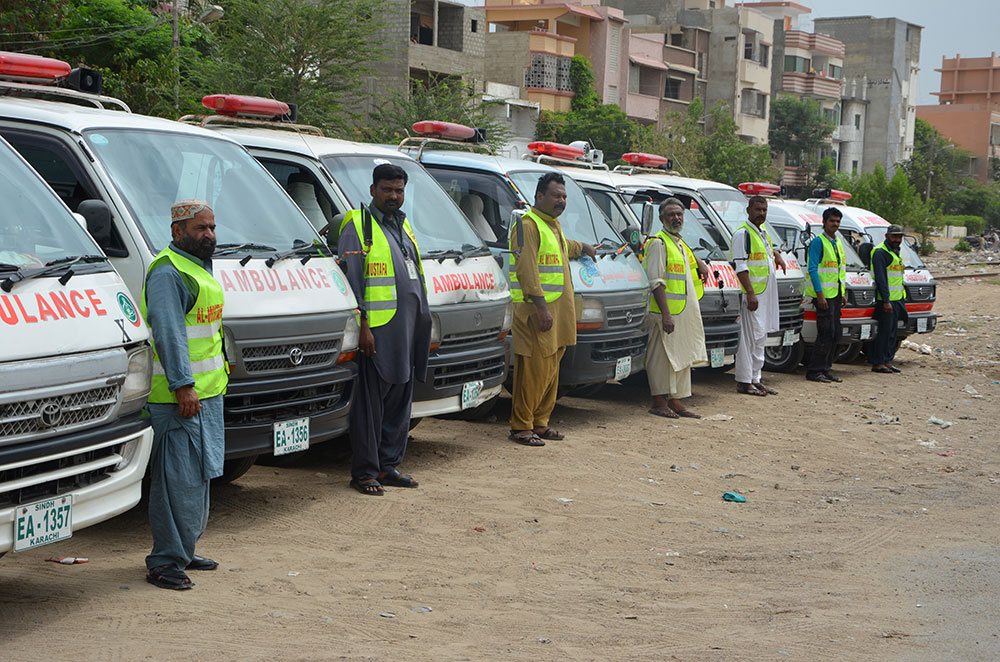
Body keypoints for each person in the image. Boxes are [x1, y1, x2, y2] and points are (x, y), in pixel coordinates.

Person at [140, 199, 228, 590]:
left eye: (212, 227)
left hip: (207, 393)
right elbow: (169, 334)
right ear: (177, 232)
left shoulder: (198, 266)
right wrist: (182, 385)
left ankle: (184, 549)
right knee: (177, 482)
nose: (209, 235)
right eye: (200, 229)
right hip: (180, 399)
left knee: (198, 478)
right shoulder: (167, 272)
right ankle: (165, 561)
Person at [339, 163, 431, 495]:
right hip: (377, 332)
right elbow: (353, 280)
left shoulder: (402, 225)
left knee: (399, 401)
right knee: (371, 407)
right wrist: (363, 326)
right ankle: (365, 472)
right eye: (387, 189)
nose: (394, 196)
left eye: (399, 190)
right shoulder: (358, 225)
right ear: (373, 190)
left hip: (407, 330)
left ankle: (387, 465)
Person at [508, 173, 596, 446]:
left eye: (564, 196)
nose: (561, 201)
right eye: (556, 195)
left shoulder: (552, 225)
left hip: (558, 310)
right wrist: (541, 308)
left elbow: (561, 247)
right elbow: (527, 270)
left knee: (551, 369)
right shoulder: (527, 226)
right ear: (539, 196)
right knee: (534, 369)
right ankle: (521, 426)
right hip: (538, 311)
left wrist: (583, 248)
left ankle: (540, 422)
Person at [641, 198, 708, 419]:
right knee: (661, 359)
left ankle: (676, 401)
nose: (676, 218)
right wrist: (666, 314)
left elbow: (690, 262)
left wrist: (700, 262)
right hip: (664, 313)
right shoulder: (658, 244)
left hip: (682, 312)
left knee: (681, 355)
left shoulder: (678, 243)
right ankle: (659, 402)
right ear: (661, 218)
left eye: (679, 214)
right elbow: (656, 282)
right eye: (671, 215)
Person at [731, 195, 786, 396]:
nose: (761, 213)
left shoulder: (762, 233)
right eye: (757, 209)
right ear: (748, 210)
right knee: (748, 339)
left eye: (764, 210)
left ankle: (756, 378)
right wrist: (750, 293)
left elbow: (768, 253)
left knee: (760, 337)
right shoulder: (742, 234)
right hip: (752, 296)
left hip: (765, 295)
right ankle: (744, 381)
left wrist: (777, 256)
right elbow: (740, 266)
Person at [804, 208, 847, 383]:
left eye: (837, 221)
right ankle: (815, 371)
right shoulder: (818, 242)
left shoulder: (837, 242)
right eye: (832, 221)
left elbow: (838, 270)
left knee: (835, 334)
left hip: (835, 295)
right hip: (824, 296)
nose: (835, 224)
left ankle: (826, 368)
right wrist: (820, 295)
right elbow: (813, 269)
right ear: (824, 222)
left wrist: (842, 293)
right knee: (825, 334)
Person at [869, 224, 908, 374]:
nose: (897, 240)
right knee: (884, 333)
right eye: (894, 236)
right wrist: (886, 300)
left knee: (892, 333)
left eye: (899, 237)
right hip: (886, 300)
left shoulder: (895, 252)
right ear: (887, 236)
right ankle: (878, 363)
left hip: (897, 298)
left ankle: (887, 360)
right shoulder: (880, 252)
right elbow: (881, 279)